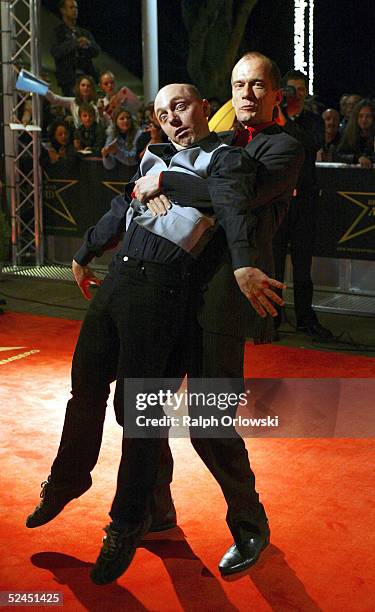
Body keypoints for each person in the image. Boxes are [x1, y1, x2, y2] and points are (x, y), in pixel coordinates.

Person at [26, 82, 286, 584]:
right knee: (85, 391)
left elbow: (231, 209)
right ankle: (67, 479)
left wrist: (243, 265)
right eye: (164, 112)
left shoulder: (225, 159)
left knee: (145, 419)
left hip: (164, 294)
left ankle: (126, 525)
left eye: (182, 106)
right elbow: (121, 210)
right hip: (119, 282)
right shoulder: (152, 156)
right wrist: (84, 253)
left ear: (206, 109)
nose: (173, 118)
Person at [131, 52, 304, 577]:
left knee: (209, 424)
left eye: (257, 86)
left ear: (278, 95)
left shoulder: (285, 148)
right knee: (144, 406)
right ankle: (156, 512)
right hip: (173, 287)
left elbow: (233, 193)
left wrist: (165, 183)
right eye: (237, 86)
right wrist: (147, 176)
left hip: (225, 299)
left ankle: (251, 528)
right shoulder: (222, 137)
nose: (246, 95)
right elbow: (172, 164)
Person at [272, 69, 333, 339]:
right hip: (279, 201)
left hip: (305, 201)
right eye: (289, 89)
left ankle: (305, 318)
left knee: (302, 265)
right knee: (272, 263)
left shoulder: (313, 121)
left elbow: (311, 144)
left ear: (305, 92)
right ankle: (271, 320)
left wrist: (286, 121)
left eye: (298, 89)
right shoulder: (273, 120)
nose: (292, 94)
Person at [51, 0, 100, 96]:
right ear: (63, 10)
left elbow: (97, 51)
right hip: (69, 80)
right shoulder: (58, 32)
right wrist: (75, 43)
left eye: (76, 8)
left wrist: (88, 44)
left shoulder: (84, 32)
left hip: (87, 76)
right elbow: (55, 52)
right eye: (71, 7)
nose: (75, 10)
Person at [334, 99, 375, 168]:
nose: (364, 120)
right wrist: (357, 158)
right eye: (361, 116)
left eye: (368, 116)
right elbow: (338, 155)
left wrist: (369, 160)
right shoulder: (349, 134)